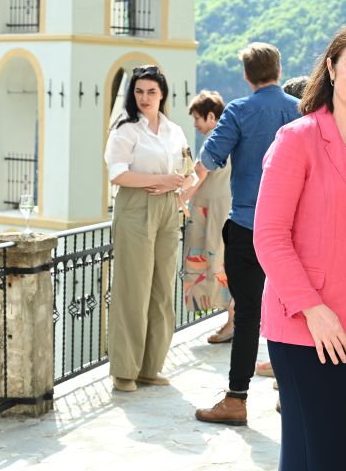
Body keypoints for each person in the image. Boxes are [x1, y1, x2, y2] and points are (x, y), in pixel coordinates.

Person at [254, 20, 346, 470]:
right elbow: (269, 236)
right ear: (332, 68)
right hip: (306, 324)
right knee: (320, 450)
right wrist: (313, 309)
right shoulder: (296, 139)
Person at [194, 43, 300, 425]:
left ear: (246, 74)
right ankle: (291, 395)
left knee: (248, 317)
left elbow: (210, 158)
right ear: (278, 68)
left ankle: (236, 400)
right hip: (293, 231)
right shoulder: (298, 109)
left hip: (248, 228)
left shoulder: (239, 110)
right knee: (292, 311)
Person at [104, 65, 189, 392]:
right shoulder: (125, 130)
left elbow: (184, 168)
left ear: (162, 94)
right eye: (139, 91)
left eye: (151, 91)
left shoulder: (174, 130)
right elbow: (118, 174)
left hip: (169, 207)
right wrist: (161, 180)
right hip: (136, 206)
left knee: (162, 289)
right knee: (132, 288)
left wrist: (180, 183)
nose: (144, 97)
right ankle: (125, 371)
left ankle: (151, 367)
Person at [182, 90, 235, 343]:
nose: (195, 125)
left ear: (211, 117)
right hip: (226, 205)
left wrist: (179, 199)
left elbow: (199, 173)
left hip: (212, 209)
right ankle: (233, 321)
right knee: (225, 262)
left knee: (216, 260)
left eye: (197, 119)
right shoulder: (233, 136)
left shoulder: (215, 139)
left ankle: (232, 323)